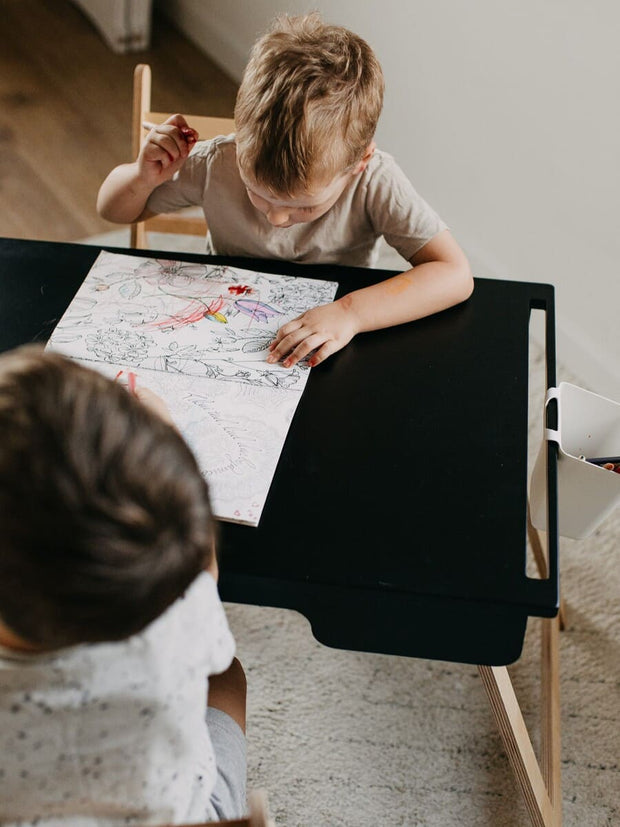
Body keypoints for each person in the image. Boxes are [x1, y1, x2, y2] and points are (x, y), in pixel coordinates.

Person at [97, 12, 473, 370]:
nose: (275, 217)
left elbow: (454, 274)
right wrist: (142, 176)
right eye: (257, 192)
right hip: (223, 322)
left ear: (359, 162)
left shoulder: (374, 181)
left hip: (331, 335)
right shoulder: (218, 162)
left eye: (304, 207)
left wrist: (351, 313)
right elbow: (114, 211)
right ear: (240, 140)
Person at [0, 345, 247, 824]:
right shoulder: (181, 616)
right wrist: (168, 435)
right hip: (172, 814)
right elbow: (204, 571)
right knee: (227, 675)